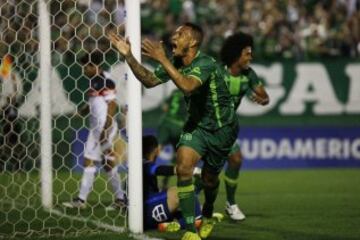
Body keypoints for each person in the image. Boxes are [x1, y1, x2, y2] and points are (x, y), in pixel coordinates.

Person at [109, 22, 238, 240]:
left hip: (222, 130)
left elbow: (188, 86)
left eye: (180, 34)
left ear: (193, 42)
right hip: (196, 127)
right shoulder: (176, 62)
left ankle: (207, 212)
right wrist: (129, 56)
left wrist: (162, 59)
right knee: (184, 167)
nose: (174, 36)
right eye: (175, 32)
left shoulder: (206, 63)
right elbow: (149, 81)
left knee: (209, 180)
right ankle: (190, 230)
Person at [63, 51, 126, 210]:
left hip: (105, 128)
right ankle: (83, 200)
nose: (83, 71)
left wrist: (106, 128)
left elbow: (112, 105)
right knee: (93, 162)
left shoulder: (106, 80)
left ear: (94, 66)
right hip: (95, 129)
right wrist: (81, 112)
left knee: (106, 163)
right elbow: (94, 103)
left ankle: (120, 199)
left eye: (85, 67)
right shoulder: (94, 81)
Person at [220, 32, 269, 220]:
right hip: (205, 127)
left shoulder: (249, 75)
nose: (251, 57)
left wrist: (263, 99)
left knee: (236, 159)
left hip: (226, 128)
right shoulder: (218, 72)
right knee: (205, 173)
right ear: (236, 55)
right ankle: (186, 204)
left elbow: (264, 95)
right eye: (247, 53)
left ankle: (230, 204)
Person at [142, 135, 202, 231]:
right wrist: (183, 170)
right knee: (184, 190)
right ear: (157, 150)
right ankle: (198, 220)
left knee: (186, 208)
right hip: (147, 211)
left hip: (140, 215)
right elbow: (157, 170)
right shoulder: (146, 165)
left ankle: (175, 225)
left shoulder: (137, 165)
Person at [157, 88, 187, 190]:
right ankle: (167, 183)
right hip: (179, 127)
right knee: (179, 157)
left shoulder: (175, 91)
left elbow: (164, 107)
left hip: (166, 123)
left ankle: (138, 180)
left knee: (153, 152)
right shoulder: (191, 93)